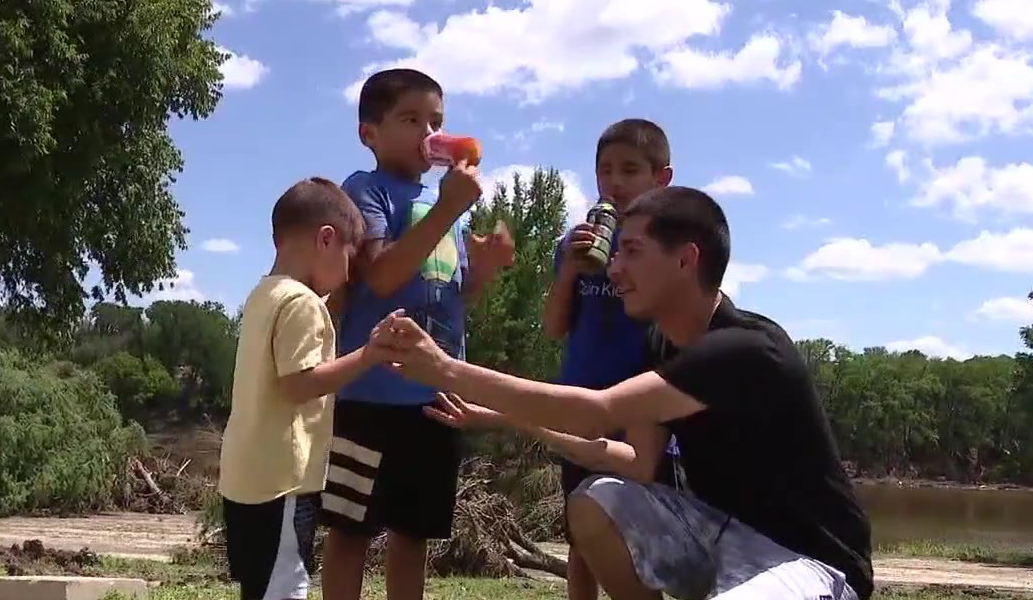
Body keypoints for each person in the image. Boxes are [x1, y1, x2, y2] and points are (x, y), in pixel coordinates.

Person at [379, 186, 875, 600]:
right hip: (715, 536)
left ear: (687, 259)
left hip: (811, 562)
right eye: (616, 254)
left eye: (632, 252)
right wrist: (505, 418)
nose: (613, 270)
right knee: (596, 501)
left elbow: (597, 412)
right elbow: (636, 462)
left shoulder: (747, 349)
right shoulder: (661, 345)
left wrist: (445, 368)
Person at [320, 68, 513, 600]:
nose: (429, 134)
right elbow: (380, 277)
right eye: (410, 120)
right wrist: (450, 206)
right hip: (369, 396)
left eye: (437, 122)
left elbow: (452, 295)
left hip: (434, 398)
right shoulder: (366, 190)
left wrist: (485, 270)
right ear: (369, 134)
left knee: (414, 532)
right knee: (350, 529)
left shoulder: (440, 204)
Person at [217, 177, 398, 600]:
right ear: (326, 239)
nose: (349, 273)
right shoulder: (301, 302)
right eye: (349, 257)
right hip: (282, 482)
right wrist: (368, 355)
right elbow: (299, 384)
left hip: (246, 479)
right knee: (285, 588)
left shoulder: (263, 294)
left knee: (262, 588)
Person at [539, 118, 674, 600]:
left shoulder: (668, 249)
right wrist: (569, 273)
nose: (614, 183)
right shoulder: (574, 244)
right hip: (582, 411)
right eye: (605, 171)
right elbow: (554, 327)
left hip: (643, 416)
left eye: (630, 170)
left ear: (662, 179)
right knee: (582, 539)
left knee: (641, 541)